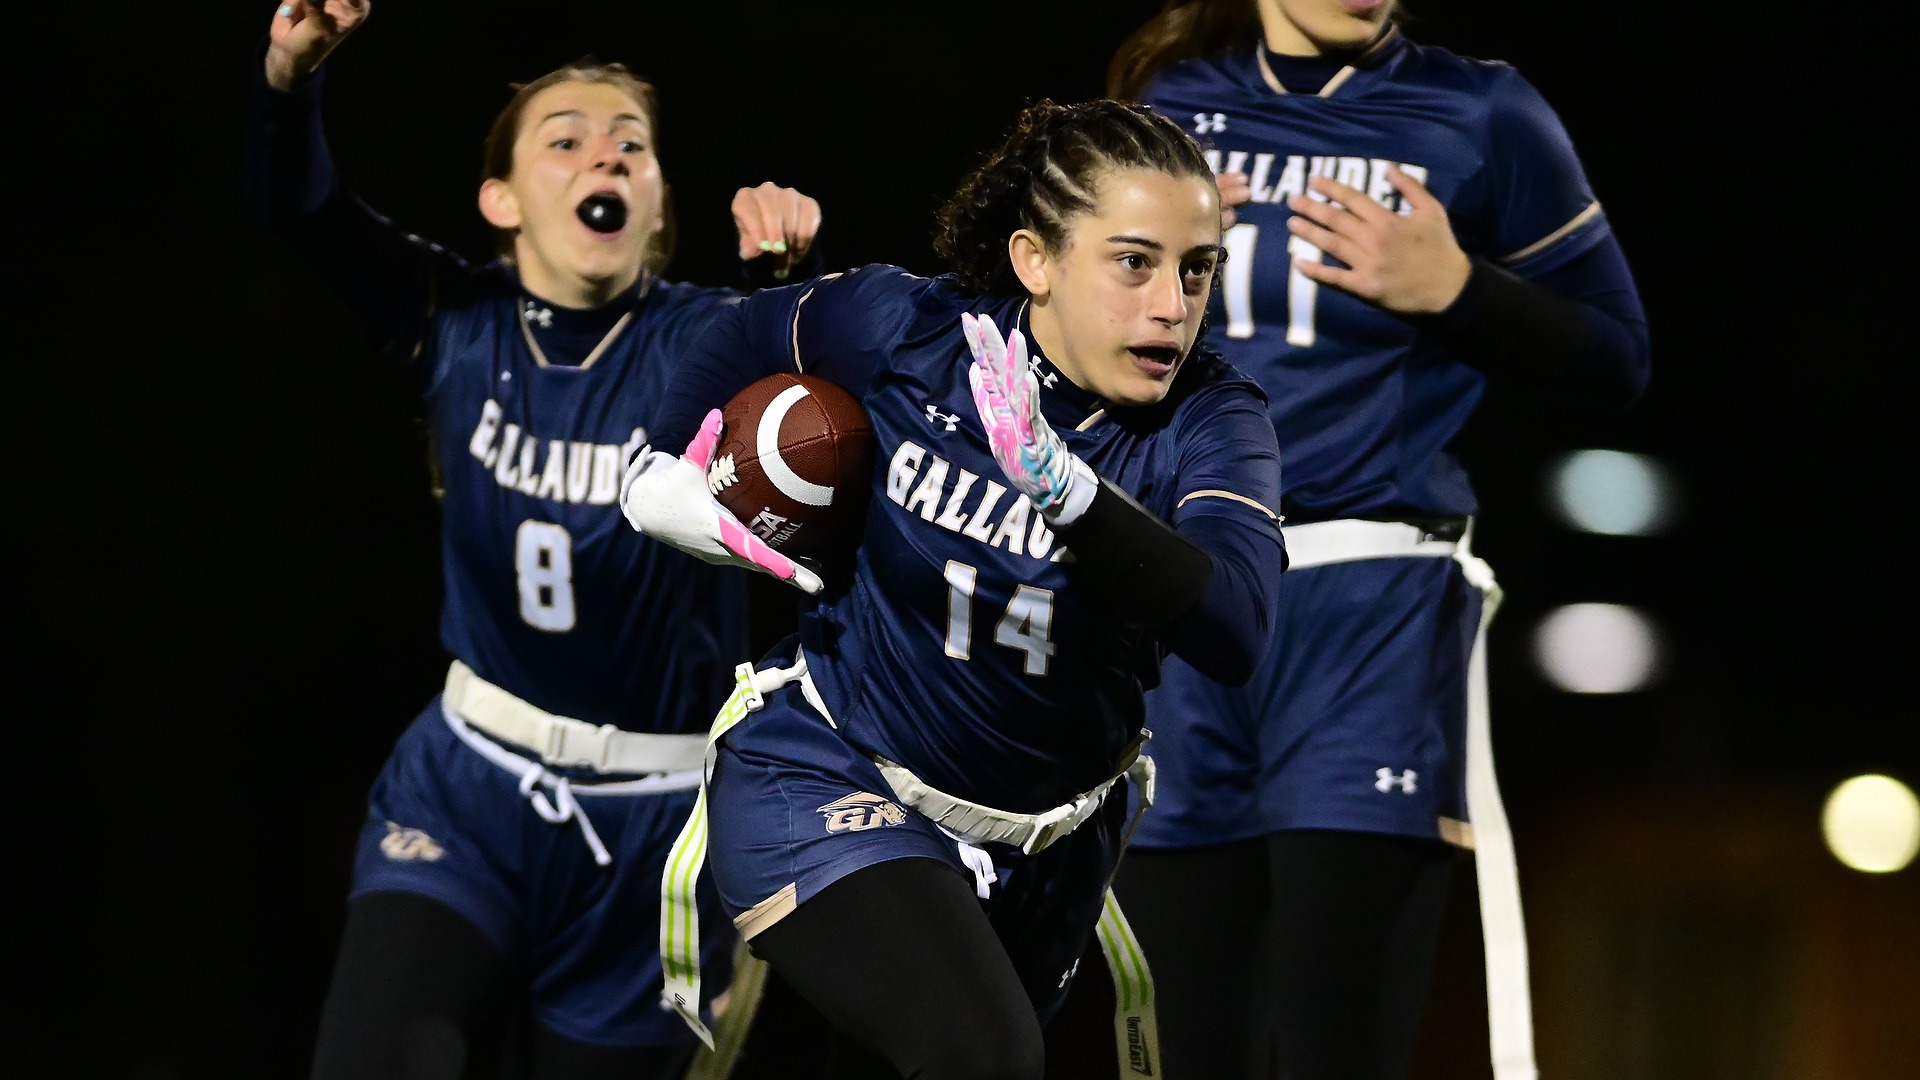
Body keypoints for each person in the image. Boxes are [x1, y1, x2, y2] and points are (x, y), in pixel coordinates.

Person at [618, 98, 1288, 1080]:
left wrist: (1070, 493)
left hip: (1048, 846)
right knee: (982, 1054)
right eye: (1134, 262)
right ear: (1036, 261)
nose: (1172, 304)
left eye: (1198, 269)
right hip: (835, 770)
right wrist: (657, 469)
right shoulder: (908, 330)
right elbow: (731, 335)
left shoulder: (1215, 419)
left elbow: (1238, 627)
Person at [243, 2, 825, 1077]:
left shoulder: (716, 336)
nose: (602, 151)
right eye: (564, 138)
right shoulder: (454, 319)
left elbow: (818, 415)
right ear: (500, 201)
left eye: (630, 144)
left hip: (662, 833)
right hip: (467, 790)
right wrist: (290, 86)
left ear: (655, 205)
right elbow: (306, 212)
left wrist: (783, 287)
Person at [1099, 2, 1652, 1078]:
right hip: (1185, 609)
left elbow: (1618, 356)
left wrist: (1458, 289)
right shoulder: (1169, 106)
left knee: (1335, 1050)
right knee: (1180, 1053)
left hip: (1371, 609)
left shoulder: (1483, 109)